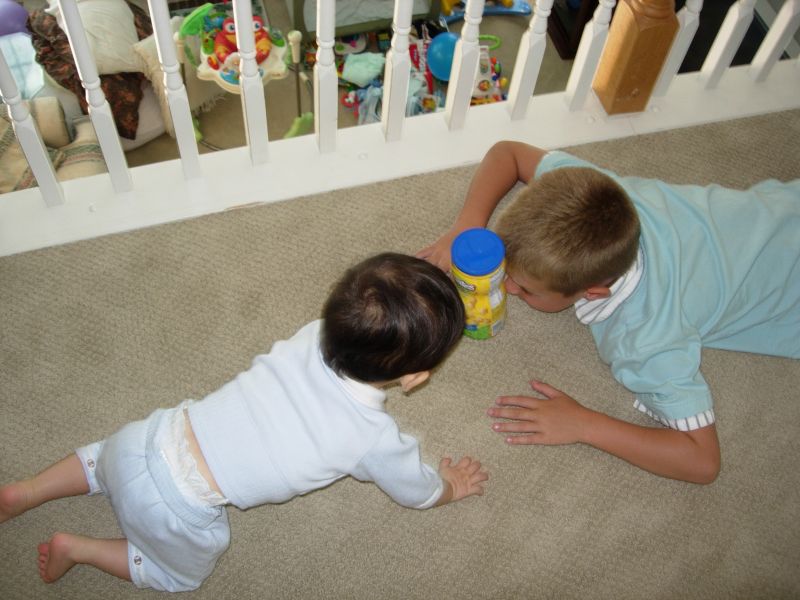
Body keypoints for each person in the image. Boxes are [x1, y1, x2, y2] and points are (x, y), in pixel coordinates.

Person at [0, 252, 489, 592]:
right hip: (175, 511)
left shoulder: (313, 335)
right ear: (415, 378)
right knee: (184, 576)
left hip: (144, 439)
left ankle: (29, 490)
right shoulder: (371, 436)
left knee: (99, 456)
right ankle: (78, 547)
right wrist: (449, 486)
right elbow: (414, 491)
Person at [419, 141, 800, 485]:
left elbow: (702, 461)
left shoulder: (644, 335)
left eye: (526, 289)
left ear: (594, 292)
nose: (506, 287)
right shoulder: (592, 191)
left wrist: (585, 424)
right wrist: (467, 227)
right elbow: (509, 152)